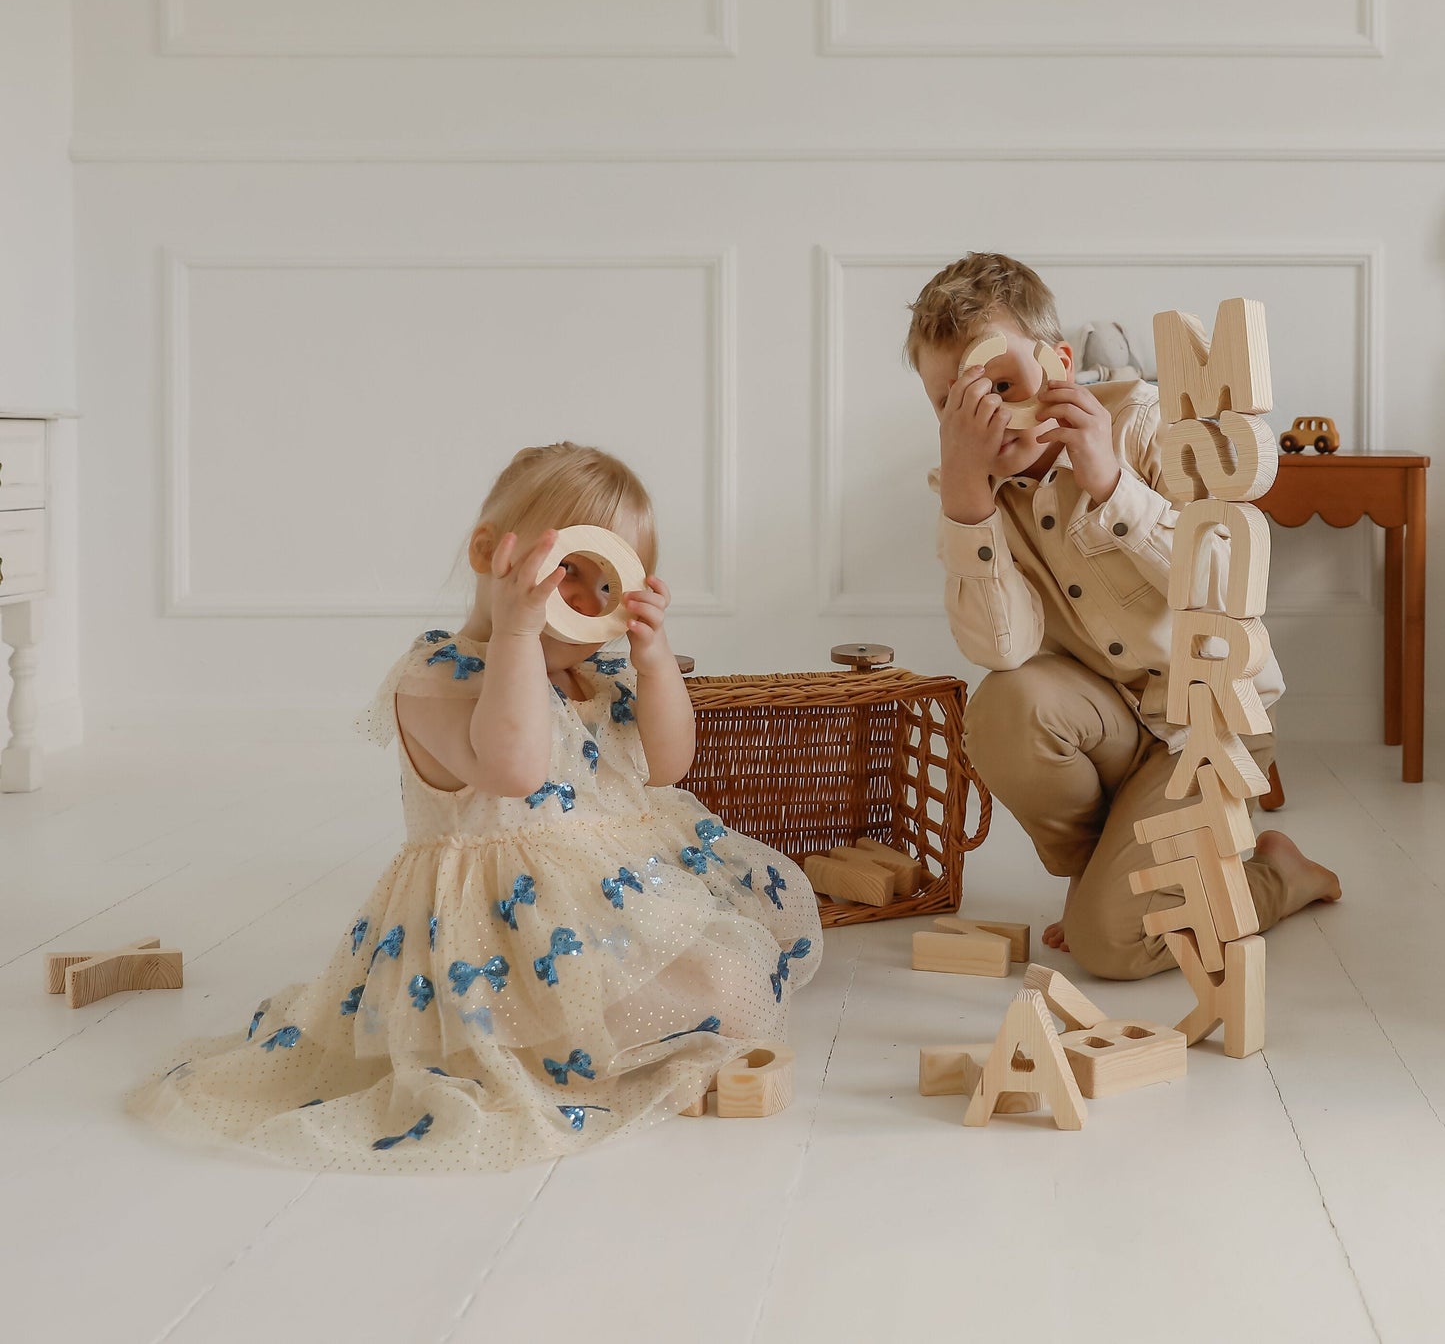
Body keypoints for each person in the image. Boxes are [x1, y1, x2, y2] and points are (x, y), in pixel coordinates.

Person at [129, 442, 820, 1171]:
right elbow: (514, 768)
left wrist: (654, 663)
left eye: (605, 581)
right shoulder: (436, 677)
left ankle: (636, 1023)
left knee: (741, 966)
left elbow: (670, 763)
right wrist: (518, 633)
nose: (581, 600)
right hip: (504, 949)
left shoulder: (599, 675)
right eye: (563, 572)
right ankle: (566, 1043)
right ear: (491, 553)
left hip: (610, 912)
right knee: (710, 994)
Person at [905, 253, 1340, 980]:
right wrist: (967, 504)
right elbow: (1002, 649)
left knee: (1111, 945)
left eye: (999, 385)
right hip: (1107, 725)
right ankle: (1102, 874)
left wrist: (1110, 485)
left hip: (1206, 723)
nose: (980, 416)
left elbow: (1225, 583)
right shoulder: (972, 494)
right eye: (951, 403)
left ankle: (1278, 876)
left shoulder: (1143, 429)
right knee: (1004, 704)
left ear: (1059, 363)